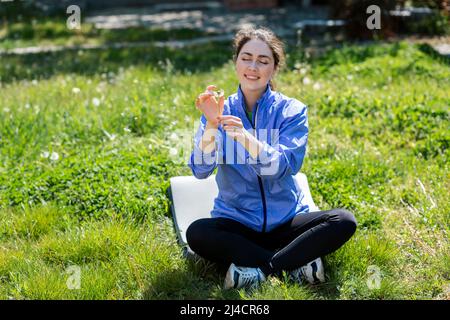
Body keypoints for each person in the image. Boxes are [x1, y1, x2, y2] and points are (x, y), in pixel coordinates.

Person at [187, 26, 357, 290]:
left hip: (286, 221)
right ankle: (296, 264)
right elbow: (200, 170)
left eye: (263, 61)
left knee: (343, 221)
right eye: (246, 58)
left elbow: (283, 167)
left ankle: (262, 269)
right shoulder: (219, 111)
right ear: (236, 63)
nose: (253, 67)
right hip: (238, 222)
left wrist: (244, 137)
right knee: (197, 233)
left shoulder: (291, 111)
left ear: (274, 69)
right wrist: (210, 124)